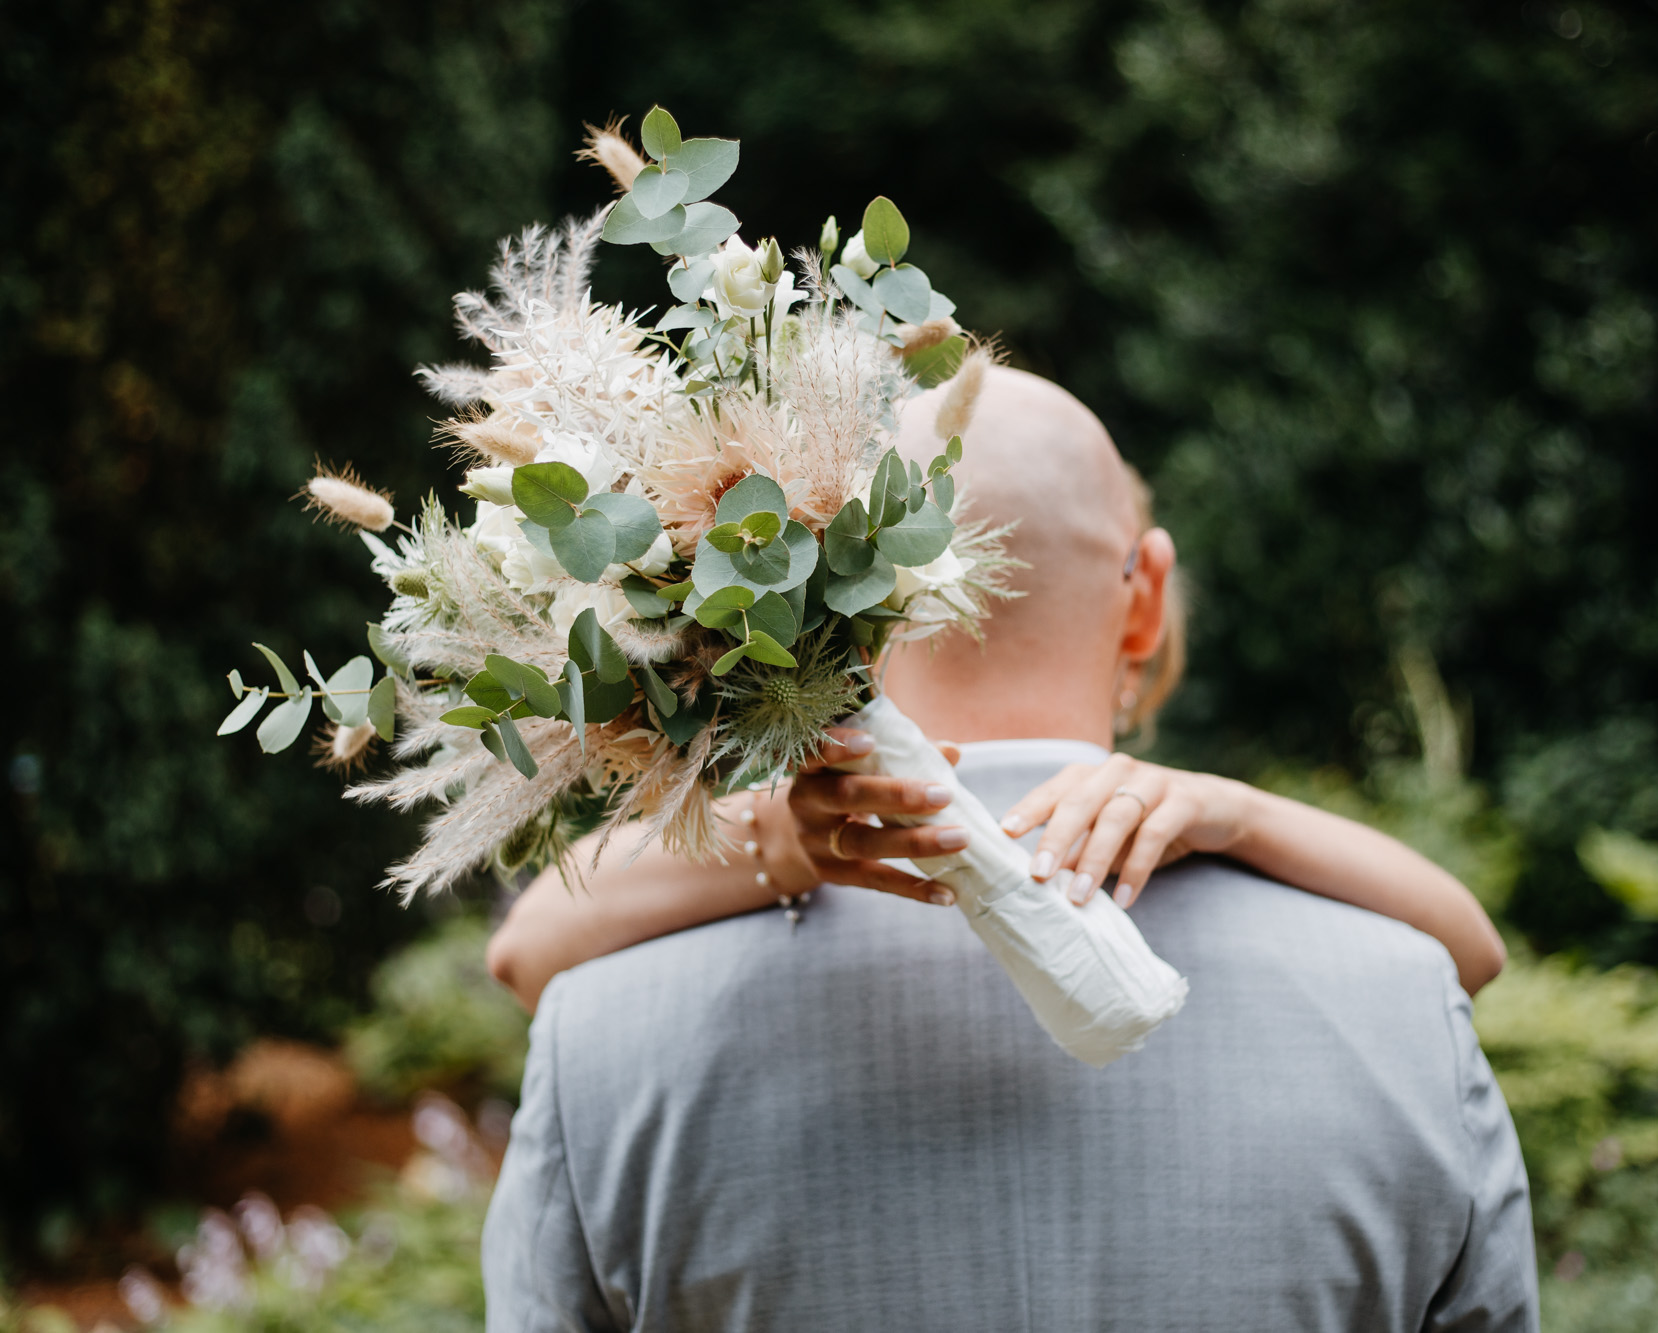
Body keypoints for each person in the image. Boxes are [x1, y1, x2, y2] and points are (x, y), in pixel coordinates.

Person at [481, 369, 1537, 1331]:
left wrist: (777, 832)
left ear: (820, 604)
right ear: (1146, 598)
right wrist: (1242, 817)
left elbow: (522, 955)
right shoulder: (1406, 995)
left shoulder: (600, 1028)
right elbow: (1470, 953)